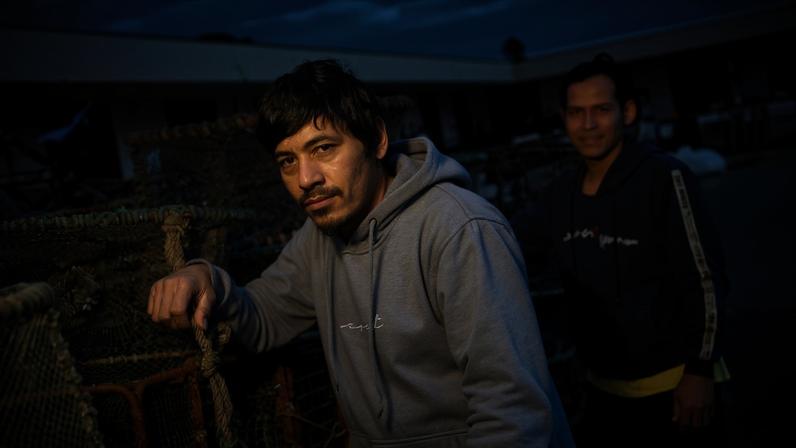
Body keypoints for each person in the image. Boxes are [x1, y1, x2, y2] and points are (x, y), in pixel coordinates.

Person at [148, 59, 573, 447]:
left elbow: (513, 415)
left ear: (377, 140)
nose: (305, 179)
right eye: (287, 161)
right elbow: (264, 317)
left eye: (323, 148)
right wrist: (206, 278)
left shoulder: (460, 229)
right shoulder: (320, 236)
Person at [518, 53, 729, 447]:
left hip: (674, 383)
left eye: (601, 109)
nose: (588, 124)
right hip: (604, 385)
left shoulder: (665, 177)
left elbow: (705, 277)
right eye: (576, 112)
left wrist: (700, 370)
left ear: (627, 112)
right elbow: (512, 246)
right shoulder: (559, 194)